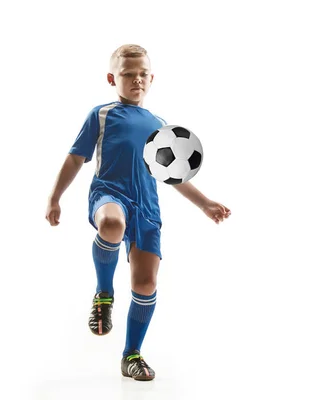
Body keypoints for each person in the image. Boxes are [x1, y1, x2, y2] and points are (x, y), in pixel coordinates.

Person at [45, 44, 231, 381]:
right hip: (110, 191)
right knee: (112, 224)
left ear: (152, 78)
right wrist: (55, 197)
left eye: (143, 74)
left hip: (147, 205)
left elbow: (172, 175)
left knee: (145, 283)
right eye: (129, 74)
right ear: (111, 78)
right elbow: (75, 158)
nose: (137, 80)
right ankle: (104, 293)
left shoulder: (160, 126)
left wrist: (205, 203)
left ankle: (131, 354)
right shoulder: (101, 115)